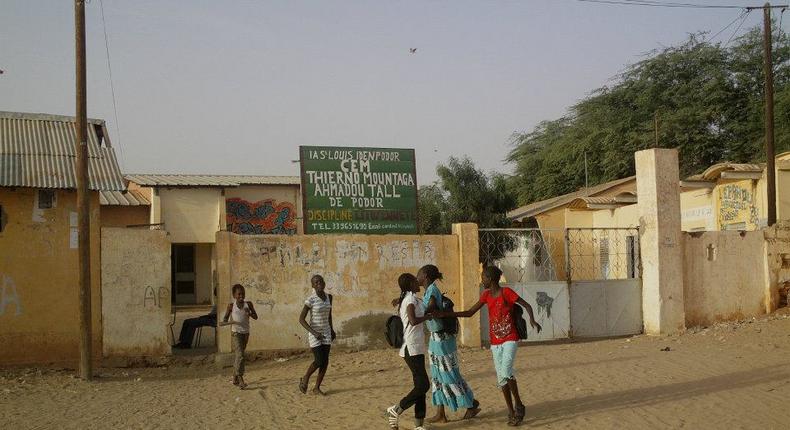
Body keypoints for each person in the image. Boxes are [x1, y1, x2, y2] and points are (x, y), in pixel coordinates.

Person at [436, 266, 542, 427]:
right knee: (501, 379)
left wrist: (533, 320)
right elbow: (470, 312)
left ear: (490, 279)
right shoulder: (486, 295)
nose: (482, 280)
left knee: (506, 372)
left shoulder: (506, 293)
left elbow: (526, 305)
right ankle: (512, 411)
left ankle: (519, 404)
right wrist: (447, 314)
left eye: (483, 277)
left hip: (510, 338)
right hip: (495, 343)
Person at [418, 264, 480, 423]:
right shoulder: (428, 291)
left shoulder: (432, 291)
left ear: (425, 275)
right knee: (438, 376)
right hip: (435, 338)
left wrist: (418, 312)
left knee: (448, 375)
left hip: (443, 340)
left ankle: (471, 404)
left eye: (419, 274)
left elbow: (431, 306)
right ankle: (441, 413)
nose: (416, 277)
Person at [386, 273, 432, 430]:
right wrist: (428, 317)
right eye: (415, 280)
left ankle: (419, 424)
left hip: (416, 347)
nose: (418, 282)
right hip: (411, 348)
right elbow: (413, 320)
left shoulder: (412, 298)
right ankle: (397, 408)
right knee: (423, 385)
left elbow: (424, 305)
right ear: (410, 284)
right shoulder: (410, 299)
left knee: (420, 385)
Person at [298, 275, 336, 395]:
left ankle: (316, 388)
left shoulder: (329, 297)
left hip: (326, 332)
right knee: (319, 360)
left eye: (321, 281)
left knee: (325, 362)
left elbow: (329, 315)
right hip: (314, 334)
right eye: (316, 282)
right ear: (313, 285)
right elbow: (301, 319)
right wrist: (314, 333)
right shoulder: (311, 299)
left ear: (324, 283)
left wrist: (332, 329)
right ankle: (306, 378)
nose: (319, 283)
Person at [221, 284, 258, 389]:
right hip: (236, 333)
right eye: (239, 294)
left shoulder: (248, 304)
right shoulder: (231, 306)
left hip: (246, 333)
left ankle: (234, 377)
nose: (241, 296)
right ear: (234, 295)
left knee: (239, 356)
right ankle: (241, 379)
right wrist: (226, 322)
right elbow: (225, 319)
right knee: (240, 355)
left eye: (243, 294)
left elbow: (256, 317)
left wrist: (249, 313)